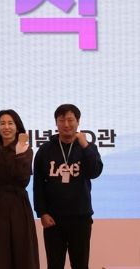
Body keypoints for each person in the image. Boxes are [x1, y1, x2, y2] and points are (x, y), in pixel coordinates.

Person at [33, 104, 104, 269]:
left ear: (78, 122)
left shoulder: (88, 148)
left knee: (80, 264)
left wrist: (86, 146)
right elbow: (38, 184)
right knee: (54, 265)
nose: (66, 124)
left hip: (81, 217)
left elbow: (95, 172)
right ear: (56, 123)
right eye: (61, 120)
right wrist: (41, 212)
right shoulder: (45, 150)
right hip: (53, 219)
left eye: (70, 120)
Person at [0, 109, 39, 269]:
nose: (6, 127)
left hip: (18, 205)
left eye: (10, 123)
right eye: (2, 123)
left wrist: (19, 153)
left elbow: (23, 179)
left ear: (17, 127)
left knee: (21, 251)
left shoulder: (25, 149)